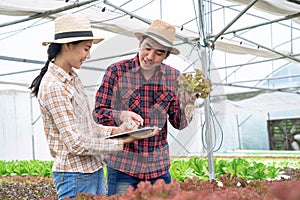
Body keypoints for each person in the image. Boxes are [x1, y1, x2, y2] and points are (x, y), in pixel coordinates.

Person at [29, 14, 157, 200]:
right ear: (68, 45)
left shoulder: (72, 78)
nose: (88, 55)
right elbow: (75, 143)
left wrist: (117, 130)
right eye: (86, 48)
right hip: (74, 176)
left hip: (92, 170)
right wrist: (122, 142)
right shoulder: (54, 86)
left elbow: (87, 127)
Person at [92, 19, 193, 196]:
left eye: (159, 53)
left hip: (158, 169)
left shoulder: (174, 78)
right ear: (140, 43)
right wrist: (121, 115)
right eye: (147, 48)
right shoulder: (116, 71)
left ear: (166, 55)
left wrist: (188, 103)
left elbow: (179, 123)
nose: (150, 56)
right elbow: (99, 113)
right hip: (124, 166)